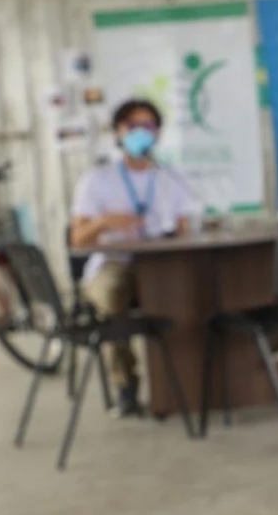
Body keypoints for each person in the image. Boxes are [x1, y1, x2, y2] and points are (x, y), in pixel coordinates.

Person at [70, 99, 191, 416]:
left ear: (158, 133)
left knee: (188, 290)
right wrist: (106, 222)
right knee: (114, 296)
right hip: (111, 265)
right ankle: (126, 385)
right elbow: (78, 238)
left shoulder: (169, 177)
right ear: (118, 132)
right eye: (132, 126)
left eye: (148, 126)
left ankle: (184, 382)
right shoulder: (98, 179)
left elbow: (184, 227)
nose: (141, 133)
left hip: (159, 265)